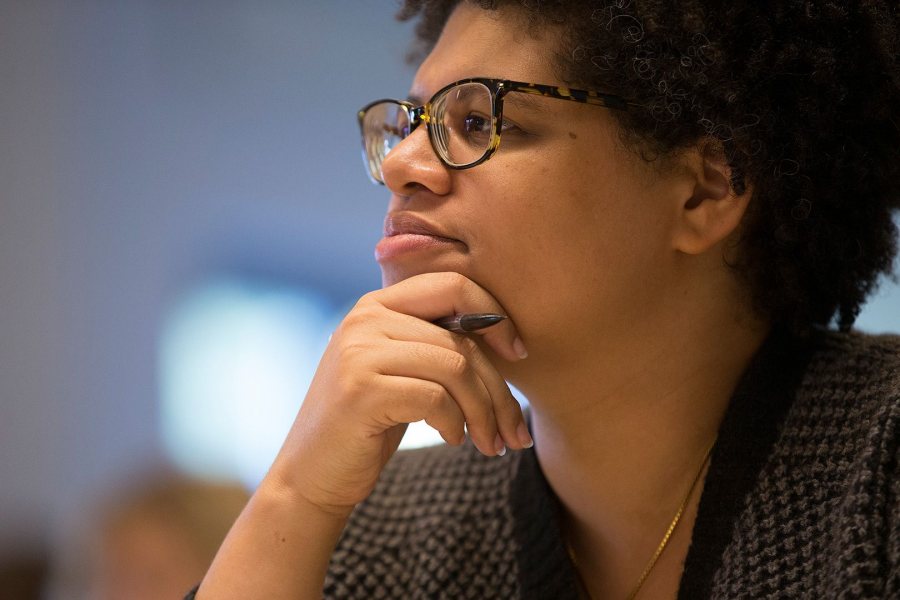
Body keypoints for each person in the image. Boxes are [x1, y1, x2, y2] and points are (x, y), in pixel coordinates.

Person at [191, 1, 900, 598]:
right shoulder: (383, 528)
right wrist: (294, 498)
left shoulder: (880, 466)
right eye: (412, 123)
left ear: (702, 191)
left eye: (479, 123)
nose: (403, 165)